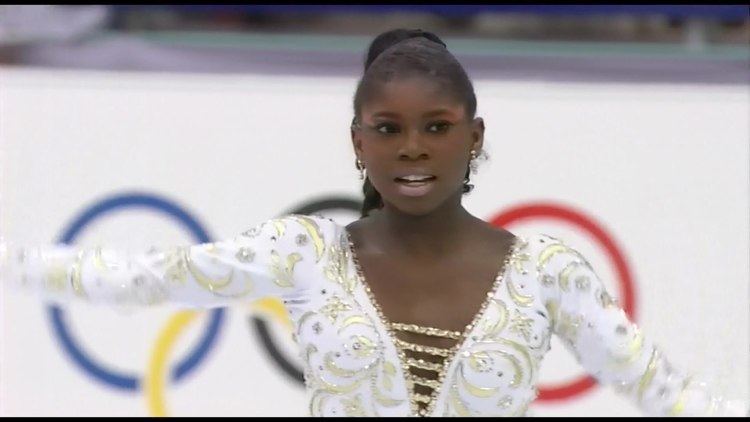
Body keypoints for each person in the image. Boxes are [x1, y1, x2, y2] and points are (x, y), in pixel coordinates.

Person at [0, 28, 746, 417]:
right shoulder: (305, 253)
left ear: (475, 137)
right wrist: (11, 261)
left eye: (437, 126)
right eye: (387, 129)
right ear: (357, 142)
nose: (413, 147)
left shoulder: (547, 271)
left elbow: (664, 391)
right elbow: (137, 279)